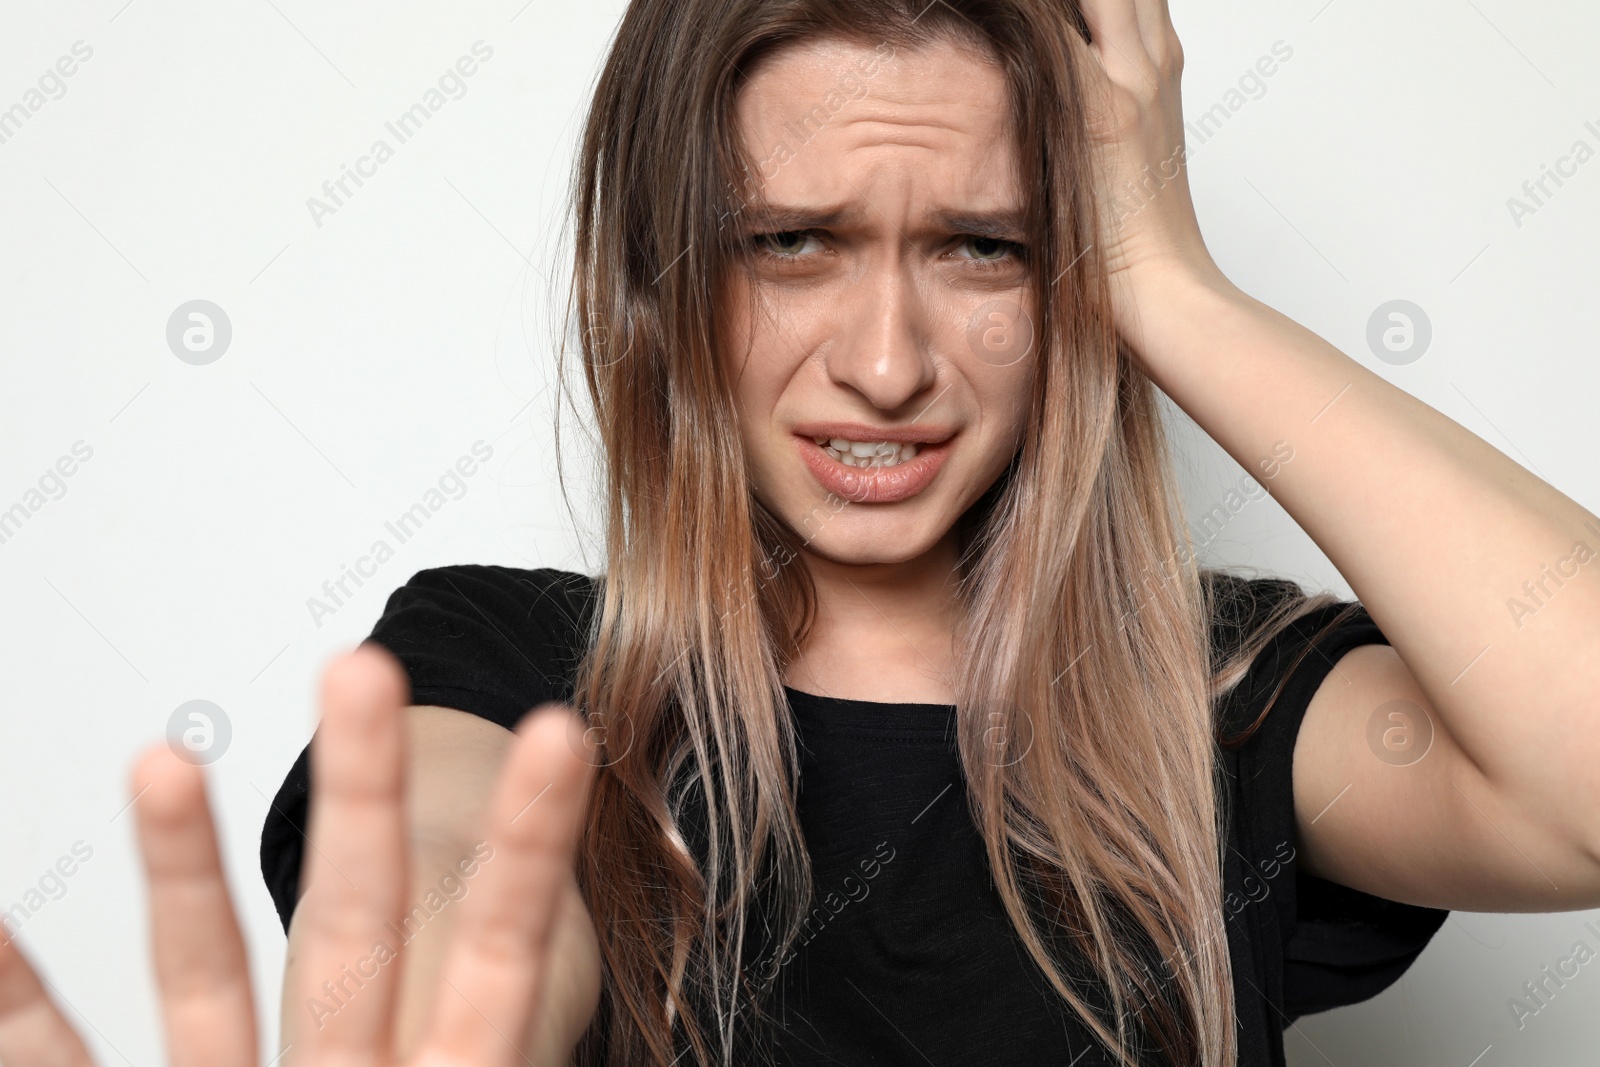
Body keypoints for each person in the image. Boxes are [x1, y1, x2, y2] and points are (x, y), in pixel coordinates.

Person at [3, 0, 1598, 1064]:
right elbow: (459, 894)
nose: (887, 364)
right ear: (663, 276)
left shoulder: (1224, 701)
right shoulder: (506, 670)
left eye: (986, 247)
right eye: (790, 244)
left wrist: (1171, 285)